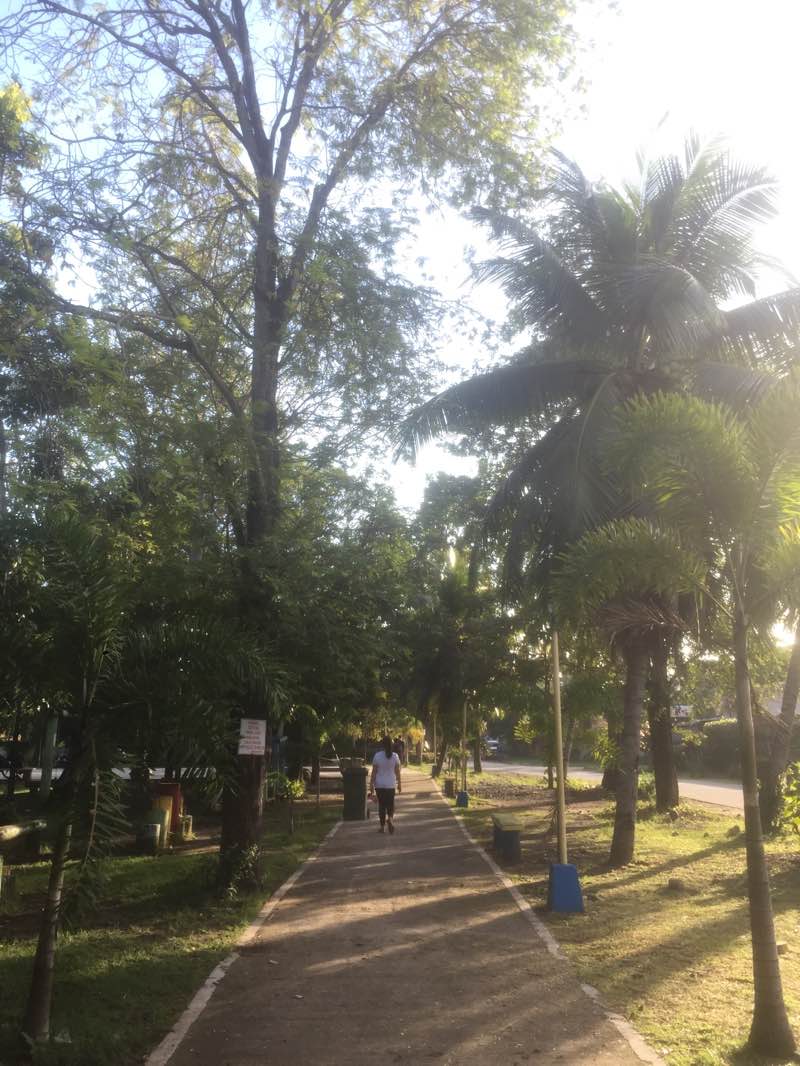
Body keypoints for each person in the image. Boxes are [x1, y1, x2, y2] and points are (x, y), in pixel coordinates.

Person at [369, 735, 401, 834]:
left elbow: (374, 772)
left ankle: (382, 827)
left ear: (382, 745)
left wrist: (371, 784)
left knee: (382, 806)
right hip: (391, 785)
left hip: (379, 785)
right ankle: (390, 819)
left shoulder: (377, 756)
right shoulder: (395, 756)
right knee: (390, 805)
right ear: (392, 744)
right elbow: (397, 772)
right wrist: (400, 784)